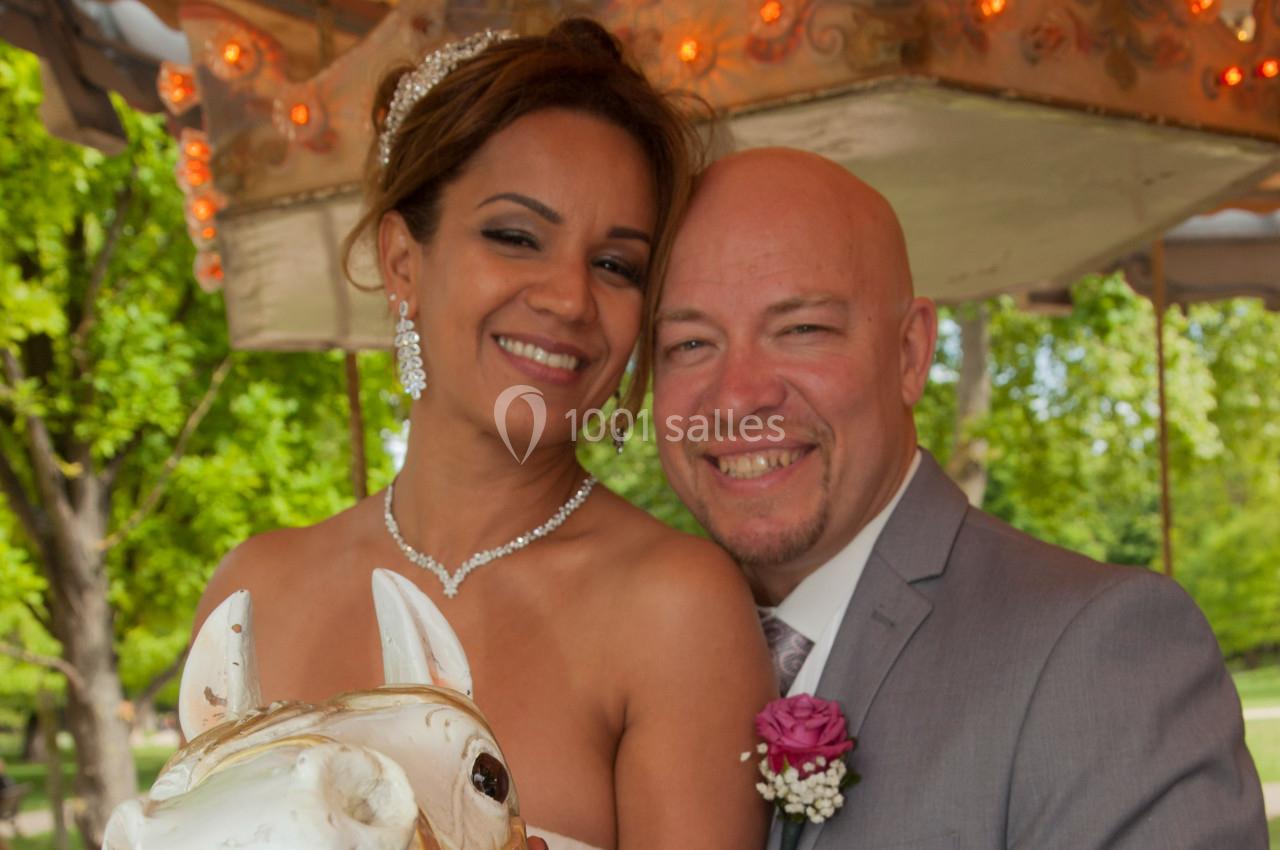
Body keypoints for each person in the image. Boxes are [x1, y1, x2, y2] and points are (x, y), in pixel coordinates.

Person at [195, 21, 774, 850]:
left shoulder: (675, 607)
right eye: (515, 237)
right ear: (403, 263)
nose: (570, 298)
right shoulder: (254, 592)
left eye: (616, 265)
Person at [652, 147, 1268, 849]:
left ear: (911, 354)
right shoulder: (629, 645)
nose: (737, 397)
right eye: (690, 343)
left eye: (802, 330)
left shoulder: (1103, 653)